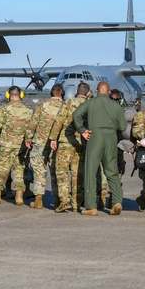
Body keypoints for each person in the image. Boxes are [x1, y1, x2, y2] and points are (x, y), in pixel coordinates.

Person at [72, 81, 127, 216]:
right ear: (108, 92)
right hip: (111, 138)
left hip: (95, 137)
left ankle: (91, 206)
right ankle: (116, 201)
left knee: (90, 171)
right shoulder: (116, 106)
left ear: (96, 91)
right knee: (112, 170)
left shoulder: (90, 103)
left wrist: (83, 130)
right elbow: (123, 127)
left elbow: (76, 115)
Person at [0, 86, 32, 205]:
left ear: (8, 95)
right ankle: (19, 196)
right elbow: (32, 128)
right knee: (20, 170)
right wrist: (29, 140)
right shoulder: (28, 110)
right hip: (21, 146)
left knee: (2, 169)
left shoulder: (4, 110)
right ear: (20, 95)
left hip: (6, 145)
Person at [49, 83, 90, 213]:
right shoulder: (90, 105)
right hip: (82, 143)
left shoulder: (68, 103)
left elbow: (59, 120)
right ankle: (77, 202)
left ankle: (64, 201)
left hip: (66, 141)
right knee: (78, 173)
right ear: (87, 93)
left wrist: (53, 138)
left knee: (62, 172)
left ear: (77, 91)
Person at [24, 84, 64, 209]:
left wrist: (28, 138)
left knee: (38, 171)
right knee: (56, 171)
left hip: (40, 142)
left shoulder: (43, 104)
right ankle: (57, 199)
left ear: (51, 94)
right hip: (56, 143)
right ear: (61, 94)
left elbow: (33, 122)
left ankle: (38, 199)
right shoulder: (64, 106)